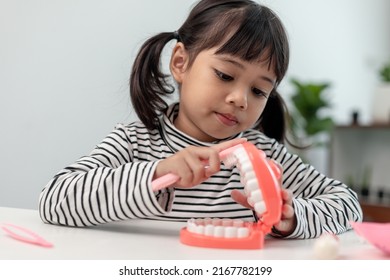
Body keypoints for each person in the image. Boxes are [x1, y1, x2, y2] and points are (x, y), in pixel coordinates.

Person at [39, 0, 362, 239]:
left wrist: (292, 218)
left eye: (259, 91)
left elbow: (349, 206)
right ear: (181, 62)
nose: (240, 98)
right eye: (224, 75)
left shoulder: (266, 156)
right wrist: (156, 173)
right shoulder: (133, 142)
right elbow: (54, 200)